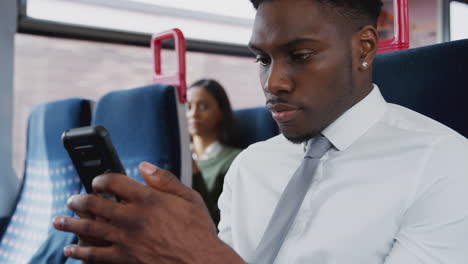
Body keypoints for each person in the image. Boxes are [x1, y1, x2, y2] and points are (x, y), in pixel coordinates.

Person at [52, 0, 468, 263]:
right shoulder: (251, 165)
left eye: (300, 56)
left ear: (364, 48)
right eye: (262, 59)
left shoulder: (445, 165)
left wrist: (197, 256)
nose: (273, 83)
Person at [187, 79, 242, 225]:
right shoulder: (176, 156)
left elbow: (220, 222)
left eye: (203, 106)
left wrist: (194, 174)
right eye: (188, 107)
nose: (193, 114)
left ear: (221, 112)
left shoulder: (236, 160)